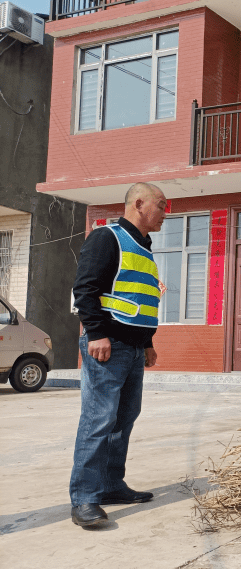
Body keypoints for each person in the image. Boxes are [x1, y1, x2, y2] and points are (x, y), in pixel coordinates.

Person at [70, 183, 167, 528]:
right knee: (98, 420)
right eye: (161, 205)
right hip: (107, 345)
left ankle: (111, 485)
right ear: (139, 204)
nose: (165, 213)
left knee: (123, 418)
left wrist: (147, 343)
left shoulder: (144, 249)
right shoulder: (107, 238)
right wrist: (96, 333)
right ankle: (84, 498)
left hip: (133, 348)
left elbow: (142, 300)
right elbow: (85, 289)